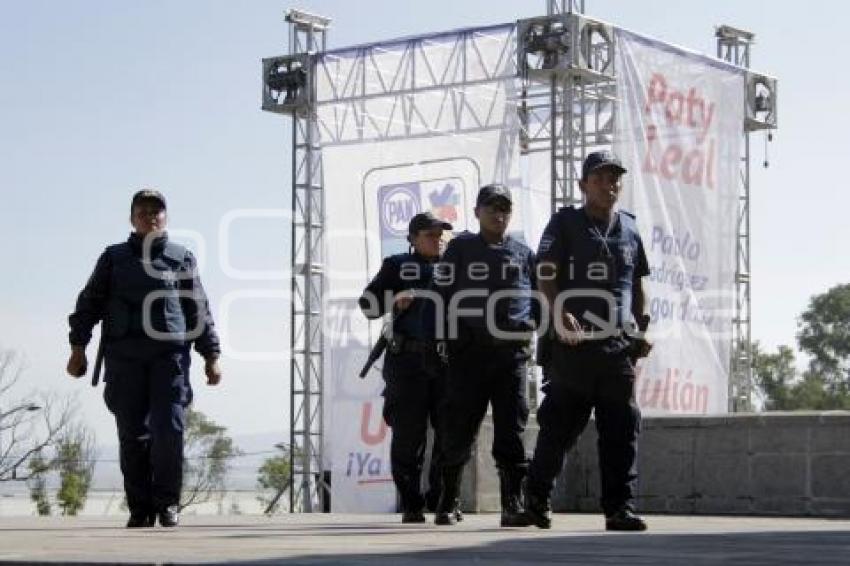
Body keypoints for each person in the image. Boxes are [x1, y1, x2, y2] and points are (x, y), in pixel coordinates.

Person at [66, 189, 222, 528]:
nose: (150, 216)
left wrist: (211, 354)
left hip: (169, 359)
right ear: (132, 218)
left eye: (157, 212)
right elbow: (89, 303)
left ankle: (167, 504)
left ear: (165, 218)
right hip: (124, 358)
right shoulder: (113, 258)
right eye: (143, 212)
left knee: (169, 430)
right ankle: (139, 508)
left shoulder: (181, 258)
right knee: (132, 434)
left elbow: (198, 309)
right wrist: (78, 348)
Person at [523, 151, 652, 531]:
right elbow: (545, 274)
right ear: (583, 185)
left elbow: (637, 285)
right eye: (600, 178)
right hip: (573, 344)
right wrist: (559, 312)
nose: (609, 184)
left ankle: (619, 508)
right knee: (560, 427)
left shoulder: (629, 227)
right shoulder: (565, 222)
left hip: (615, 347)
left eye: (614, 178)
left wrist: (640, 329)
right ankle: (536, 497)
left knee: (622, 427)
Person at [432, 184, 537, 527]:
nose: (499, 213)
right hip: (470, 355)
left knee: (512, 430)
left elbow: (538, 297)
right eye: (491, 207)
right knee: (459, 429)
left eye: (505, 207)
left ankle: (512, 504)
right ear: (477, 212)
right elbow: (440, 295)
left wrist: (532, 326)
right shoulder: (461, 248)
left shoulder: (523, 252)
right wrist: (448, 340)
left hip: (511, 357)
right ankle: (448, 502)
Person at [359, 211, 454, 523]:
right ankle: (412, 504)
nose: (437, 238)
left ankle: (442, 501)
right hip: (409, 361)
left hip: (448, 363)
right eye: (429, 234)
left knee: (450, 436)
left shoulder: (456, 266)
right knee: (408, 438)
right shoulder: (397, 264)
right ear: (413, 239)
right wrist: (393, 297)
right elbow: (368, 305)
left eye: (441, 233)